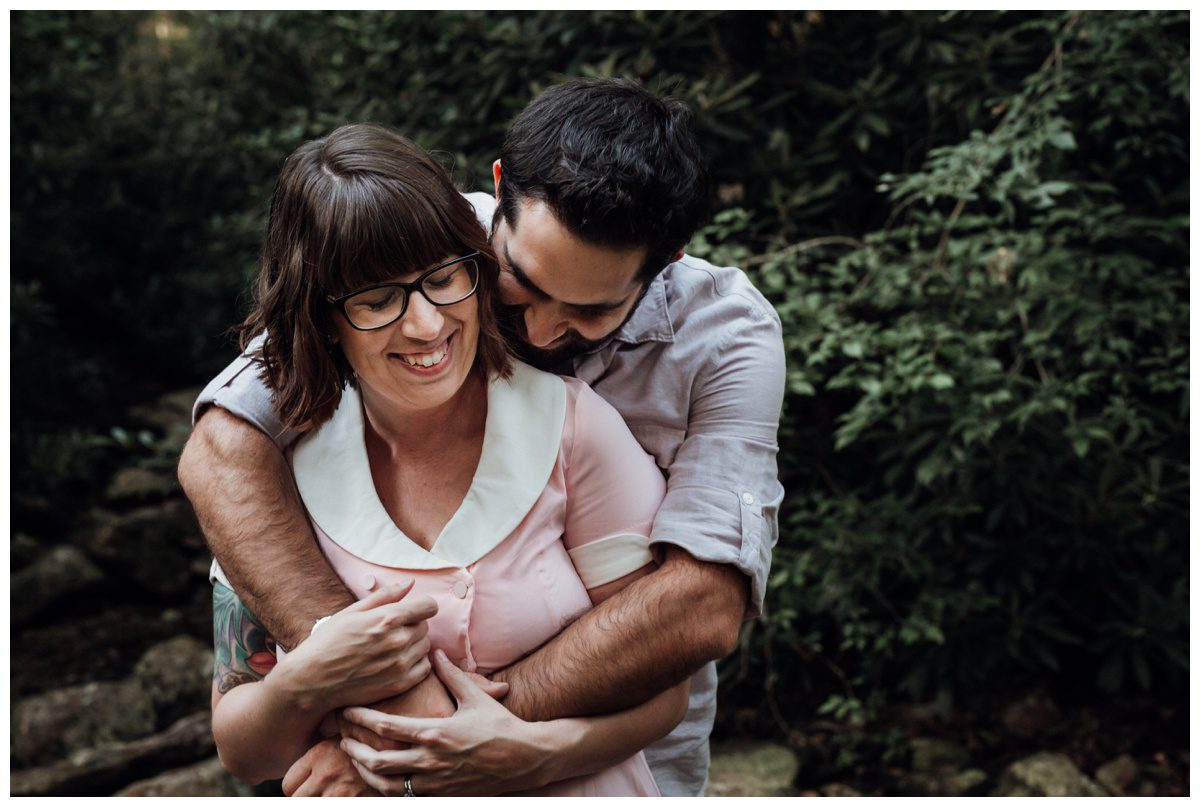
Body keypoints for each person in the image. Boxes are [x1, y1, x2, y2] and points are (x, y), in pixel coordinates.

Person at [179, 78, 785, 797]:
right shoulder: (420, 250)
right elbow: (224, 447)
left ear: (668, 259)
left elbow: (701, 604)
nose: (536, 332)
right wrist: (359, 689)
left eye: (590, 310)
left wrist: (438, 744)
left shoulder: (725, 338)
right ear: (497, 192)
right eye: (520, 284)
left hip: (622, 760)